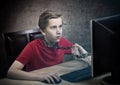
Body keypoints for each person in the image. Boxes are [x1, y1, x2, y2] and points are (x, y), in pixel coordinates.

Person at [7, 10, 89, 84]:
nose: (59, 32)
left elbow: (80, 55)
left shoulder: (62, 41)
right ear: (43, 31)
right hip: (35, 82)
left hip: (54, 79)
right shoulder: (32, 46)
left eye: (60, 26)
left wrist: (84, 53)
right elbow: (11, 72)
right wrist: (40, 77)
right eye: (53, 27)